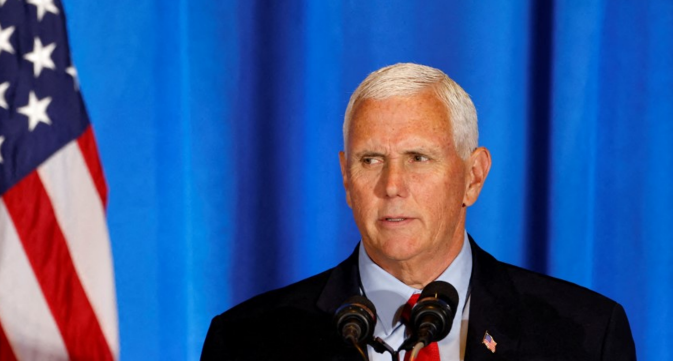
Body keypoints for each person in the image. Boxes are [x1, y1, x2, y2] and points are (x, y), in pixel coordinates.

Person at [201, 63, 635, 360]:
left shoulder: (585, 335)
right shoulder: (246, 341)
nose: (392, 186)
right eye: (370, 160)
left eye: (418, 158)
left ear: (473, 176)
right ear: (346, 179)